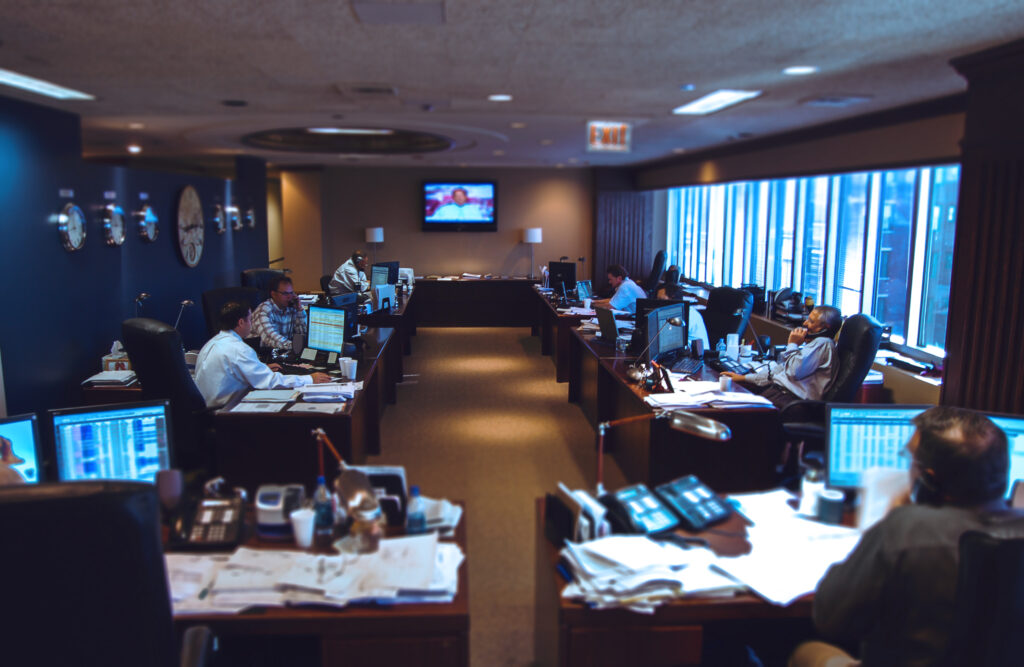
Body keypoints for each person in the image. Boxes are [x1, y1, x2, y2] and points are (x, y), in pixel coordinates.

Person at [790, 406, 1020, 667]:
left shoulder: (905, 528)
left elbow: (830, 618)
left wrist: (891, 523)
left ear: (929, 481)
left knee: (808, 652)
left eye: (912, 461)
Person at [195, 301, 331, 407]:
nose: (252, 324)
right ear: (241, 322)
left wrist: (262, 369)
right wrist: (310, 379)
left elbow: (236, 372)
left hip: (211, 407)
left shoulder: (211, 343)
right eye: (250, 319)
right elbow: (270, 382)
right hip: (226, 411)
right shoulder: (239, 349)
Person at [721, 305, 842, 408]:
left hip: (790, 402)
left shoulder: (823, 343)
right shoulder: (812, 347)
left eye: (811, 321)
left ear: (824, 328)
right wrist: (743, 378)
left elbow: (793, 371)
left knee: (736, 413)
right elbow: (777, 372)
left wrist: (793, 344)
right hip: (780, 395)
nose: (805, 323)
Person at [654, 266, 710, 349]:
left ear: (673, 299)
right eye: (657, 300)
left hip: (697, 356)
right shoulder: (672, 312)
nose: (658, 303)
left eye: (662, 300)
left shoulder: (689, 315)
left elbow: (670, 340)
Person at [252, 275, 307, 351]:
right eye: (285, 293)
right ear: (273, 294)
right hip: (263, 354)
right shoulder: (264, 310)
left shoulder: (292, 307)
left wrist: (300, 310)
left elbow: (302, 334)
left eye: (291, 293)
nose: (289, 297)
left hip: (282, 352)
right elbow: (270, 338)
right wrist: (295, 347)